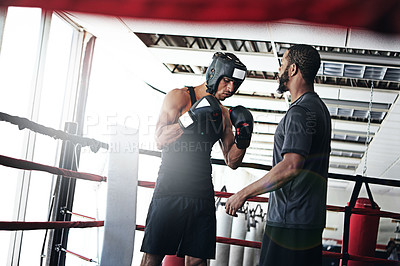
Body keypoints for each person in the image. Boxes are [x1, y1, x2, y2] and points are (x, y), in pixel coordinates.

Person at [140, 52, 254, 266]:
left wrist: (244, 138)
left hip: (201, 191)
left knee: (198, 261)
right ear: (213, 73)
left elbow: (232, 160)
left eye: (235, 84)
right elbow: (159, 139)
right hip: (170, 186)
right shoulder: (179, 97)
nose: (231, 89)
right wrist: (190, 117)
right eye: (227, 80)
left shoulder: (224, 114)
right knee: (153, 256)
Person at [225, 44, 331, 266]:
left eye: (282, 64)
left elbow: (291, 166)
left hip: (288, 221)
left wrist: (242, 194)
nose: (279, 70)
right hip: (308, 221)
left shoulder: (299, 112)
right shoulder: (319, 108)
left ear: (292, 69)